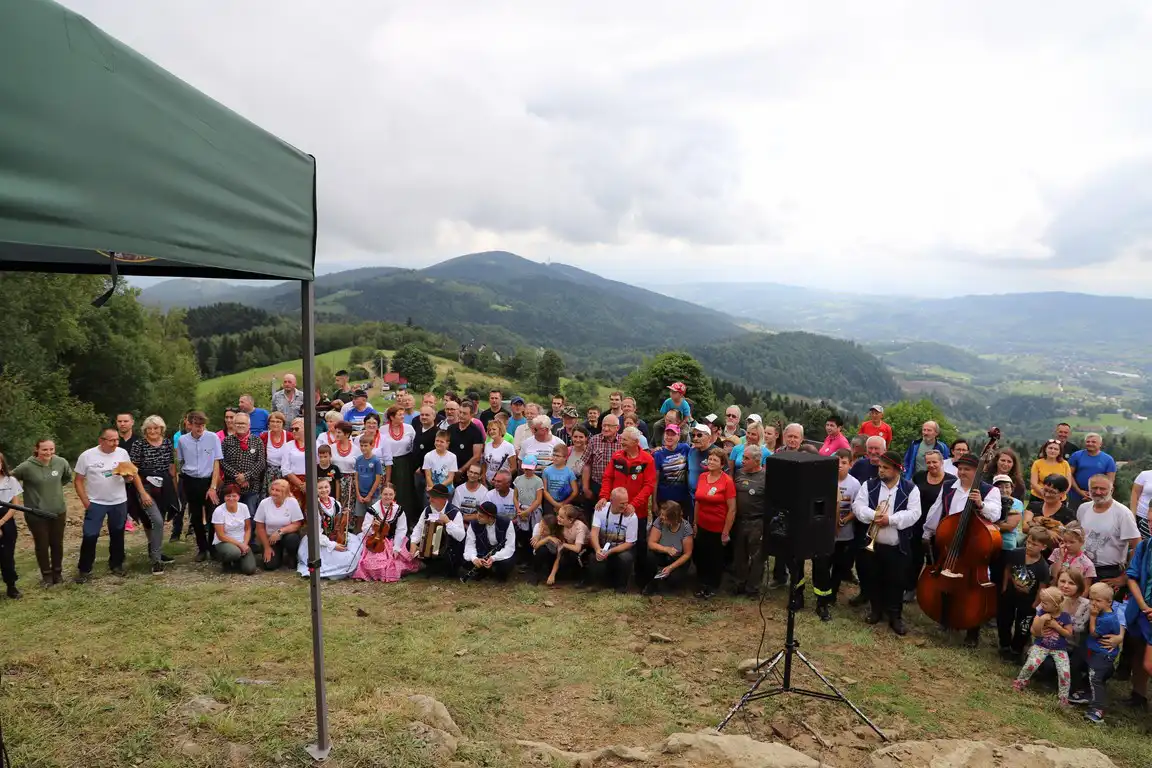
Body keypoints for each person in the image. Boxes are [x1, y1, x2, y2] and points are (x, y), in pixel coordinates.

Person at [922, 452, 1002, 646]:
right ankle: (946, 617)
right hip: (950, 544)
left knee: (974, 587)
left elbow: (995, 514)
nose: (962, 472)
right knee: (946, 578)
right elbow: (937, 509)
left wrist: (980, 504)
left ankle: (972, 631)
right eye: (960, 468)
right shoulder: (949, 486)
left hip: (974, 546)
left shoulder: (989, 490)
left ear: (978, 471)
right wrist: (928, 531)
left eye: (967, 469)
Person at [852, 450, 920, 635]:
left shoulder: (910, 489)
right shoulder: (870, 485)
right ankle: (876, 610)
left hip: (897, 545)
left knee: (896, 582)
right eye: (880, 467)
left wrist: (890, 520)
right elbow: (858, 507)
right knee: (873, 577)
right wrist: (874, 515)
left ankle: (895, 616)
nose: (881, 471)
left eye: (886, 468)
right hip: (873, 543)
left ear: (897, 470)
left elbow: (915, 513)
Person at [74, 427, 147, 582]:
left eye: (117, 440)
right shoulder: (87, 456)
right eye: (111, 440)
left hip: (118, 501)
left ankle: (116, 564)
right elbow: (78, 480)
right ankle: (84, 569)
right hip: (96, 502)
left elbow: (130, 477)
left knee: (117, 534)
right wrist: (86, 501)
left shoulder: (122, 453)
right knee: (90, 535)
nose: (115, 443)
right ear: (101, 440)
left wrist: (127, 478)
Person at [600, 426, 657, 585]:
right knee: (613, 540)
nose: (621, 442)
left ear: (635, 442)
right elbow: (607, 478)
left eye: (624, 439)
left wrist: (634, 504)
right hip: (615, 510)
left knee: (639, 544)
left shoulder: (647, 459)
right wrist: (604, 497)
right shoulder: (617, 456)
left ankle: (640, 580)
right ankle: (612, 577)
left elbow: (649, 486)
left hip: (637, 512)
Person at [11, 439, 72, 586]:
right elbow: (9, 479)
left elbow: (66, 477)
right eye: (45, 449)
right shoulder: (26, 467)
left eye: (51, 449)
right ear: (37, 449)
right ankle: (46, 576)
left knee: (57, 543)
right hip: (36, 513)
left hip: (58, 510)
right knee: (42, 544)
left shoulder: (61, 462)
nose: (48, 453)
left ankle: (57, 573)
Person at [813, 449, 862, 621]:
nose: (839, 466)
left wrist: (846, 519)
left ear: (850, 464)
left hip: (845, 534)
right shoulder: (824, 481)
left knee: (839, 566)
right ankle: (821, 599)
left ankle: (832, 594)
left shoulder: (855, 484)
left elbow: (857, 507)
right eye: (836, 462)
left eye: (844, 462)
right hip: (825, 533)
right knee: (821, 566)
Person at [130, 415, 179, 574]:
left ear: (161, 429)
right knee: (156, 521)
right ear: (145, 430)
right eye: (149, 428)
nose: (152, 431)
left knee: (161, 520)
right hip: (145, 485)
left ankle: (155, 552)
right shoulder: (139, 444)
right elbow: (133, 470)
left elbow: (171, 468)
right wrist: (142, 493)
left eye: (156, 428)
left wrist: (174, 490)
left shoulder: (166, 443)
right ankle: (156, 560)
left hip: (164, 485)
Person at [997, 527, 1053, 661]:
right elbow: (1008, 569)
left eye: (1034, 544)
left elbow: (1042, 586)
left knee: (1023, 625)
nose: (1030, 546)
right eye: (1028, 542)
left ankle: (1016, 650)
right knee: (1004, 619)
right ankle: (1004, 645)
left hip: (1028, 601)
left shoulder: (1043, 567)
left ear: (1043, 547)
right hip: (1009, 595)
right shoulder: (1016, 553)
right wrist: (1004, 587)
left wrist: (1035, 603)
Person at [1077, 474, 1140, 593]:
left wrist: (1125, 577)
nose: (1098, 492)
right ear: (1089, 489)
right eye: (1094, 488)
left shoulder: (1122, 513)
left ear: (1111, 490)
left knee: (1103, 609)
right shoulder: (1083, 509)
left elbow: (1137, 545)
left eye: (1103, 489)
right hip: (1083, 568)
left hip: (1109, 572)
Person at [906, 450, 954, 603]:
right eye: (928, 462)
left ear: (941, 462)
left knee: (935, 560)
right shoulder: (919, 476)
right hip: (917, 523)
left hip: (940, 526)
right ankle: (910, 588)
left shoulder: (951, 481)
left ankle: (933, 590)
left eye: (935, 462)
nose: (932, 465)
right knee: (914, 558)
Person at [1013, 586, 1074, 705]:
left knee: (1064, 672)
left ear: (1056, 605)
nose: (1042, 604)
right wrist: (1041, 620)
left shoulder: (1065, 617)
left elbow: (1069, 634)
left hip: (1059, 649)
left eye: (1045, 603)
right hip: (1041, 645)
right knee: (1031, 664)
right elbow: (1034, 630)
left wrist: (1056, 627)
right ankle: (1020, 682)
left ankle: (1063, 698)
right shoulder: (1042, 612)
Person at [176, 411, 224, 563]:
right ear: (189, 425)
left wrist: (213, 486)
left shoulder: (212, 438)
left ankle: (213, 546)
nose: (200, 428)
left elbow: (217, 462)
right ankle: (201, 548)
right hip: (191, 480)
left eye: (202, 425)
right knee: (196, 516)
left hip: (208, 480)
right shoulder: (183, 440)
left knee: (213, 515)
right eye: (197, 425)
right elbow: (181, 461)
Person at [296, 476, 364, 580]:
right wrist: (332, 545)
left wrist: (345, 515)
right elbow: (316, 533)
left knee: (354, 552)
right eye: (320, 488)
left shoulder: (336, 503)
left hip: (336, 535)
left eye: (326, 487)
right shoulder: (314, 507)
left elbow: (340, 524)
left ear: (330, 488)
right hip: (320, 540)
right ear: (315, 490)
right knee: (340, 558)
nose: (324, 490)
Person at [692, 447, 736, 600]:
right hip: (702, 524)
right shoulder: (702, 477)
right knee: (701, 555)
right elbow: (698, 502)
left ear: (722, 464)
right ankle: (701, 583)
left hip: (718, 527)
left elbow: (732, 509)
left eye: (715, 460)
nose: (711, 462)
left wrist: (726, 531)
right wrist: (695, 523)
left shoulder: (727, 481)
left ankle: (712, 586)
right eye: (710, 459)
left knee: (714, 558)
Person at [352, 484, 419, 582]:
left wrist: (396, 547)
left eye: (390, 494)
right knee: (374, 562)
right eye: (385, 494)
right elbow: (364, 528)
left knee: (397, 560)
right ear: (381, 494)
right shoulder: (373, 509)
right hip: (376, 540)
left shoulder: (398, 510)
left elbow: (401, 530)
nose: (388, 497)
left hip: (393, 539)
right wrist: (373, 528)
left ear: (394, 495)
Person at [1085, 581, 1125, 723]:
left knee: (1095, 679)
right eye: (1091, 599)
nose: (1093, 603)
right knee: (1094, 676)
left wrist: (1093, 617)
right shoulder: (1106, 613)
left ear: (1109, 602)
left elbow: (1094, 633)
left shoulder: (1106, 619)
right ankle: (1089, 695)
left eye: (1098, 600)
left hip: (1102, 655)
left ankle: (1098, 708)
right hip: (1099, 653)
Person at [730, 444, 766, 598]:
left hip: (757, 522)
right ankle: (740, 583)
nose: (742, 461)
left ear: (757, 461)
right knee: (739, 555)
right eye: (742, 457)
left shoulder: (766, 477)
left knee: (757, 557)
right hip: (739, 521)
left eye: (746, 458)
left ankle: (753, 588)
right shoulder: (738, 473)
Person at [586, 488, 639, 593]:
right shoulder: (601, 508)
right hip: (603, 545)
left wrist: (610, 552)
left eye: (626, 503)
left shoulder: (632, 516)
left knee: (625, 558)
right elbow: (594, 533)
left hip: (621, 548)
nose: (625, 506)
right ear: (612, 501)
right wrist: (597, 549)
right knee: (594, 556)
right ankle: (598, 583)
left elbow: (629, 543)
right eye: (621, 504)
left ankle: (621, 586)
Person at [409, 483, 466, 578]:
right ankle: (432, 564)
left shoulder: (455, 512)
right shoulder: (427, 510)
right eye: (430, 497)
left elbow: (461, 536)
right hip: (430, 549)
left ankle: (443, 568)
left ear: (444, 499)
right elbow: (418, 528)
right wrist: (413, 543)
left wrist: (448, 522)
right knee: (409, 542)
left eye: (434, 497)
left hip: (448, 551)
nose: (430, 500)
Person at [1122, 536, 1152, 712]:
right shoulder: (1145, 546)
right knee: (1139, 652)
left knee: (1149, 663)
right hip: (1140, 611)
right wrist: (1143, 605)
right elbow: (1132, 576)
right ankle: (1139, 695)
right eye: (1149, 521)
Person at [641, 501, 694, 596]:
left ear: (673, 518)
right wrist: (666, 549)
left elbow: (687, 553)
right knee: (649, 556)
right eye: (661, 514)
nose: (661, 517)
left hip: (677, 558)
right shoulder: (659, 521)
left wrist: (671, 567)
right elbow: (651, 543)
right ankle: (651, 582)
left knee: (674, 580)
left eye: (664, 515)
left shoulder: (686, 527)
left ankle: (666, 579)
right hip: (661, 554)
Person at [221, 411, 267, 520]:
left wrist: (246, 476)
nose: (240, 426)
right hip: (231, 486)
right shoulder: (226, 441)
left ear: (249, 425)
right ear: (233, 424)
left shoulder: (257, 441)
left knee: (249, 515)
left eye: (243, 423)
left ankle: (249, 537)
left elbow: (261, 463)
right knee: (231, 515)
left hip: (251, 486)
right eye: (237, 423)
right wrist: (238, 477)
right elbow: (222, 462)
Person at [253, 479, 305, 570]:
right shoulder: (264, 503)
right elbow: (260, 528)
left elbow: (297, 524)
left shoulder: (292, 502)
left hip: (287, 535)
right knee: (270, 566)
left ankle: (291, 555)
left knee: (292, 539)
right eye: (272, 489)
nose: (274, 492)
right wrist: (267, 547)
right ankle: (277, 553)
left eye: (278, 490)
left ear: (285, 493)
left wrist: (280, 531)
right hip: (270, 538)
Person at [463, 500, 517, 582]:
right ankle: (483, 571)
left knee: (506, 564)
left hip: (498, 554)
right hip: (482, 553)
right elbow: (469, 545)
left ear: (490, 518)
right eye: (477, 514)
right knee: (466, 560)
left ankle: (497, 573)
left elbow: (510, 547)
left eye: (481, 516)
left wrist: (493, 558)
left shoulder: (506, 523)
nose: (477, 517)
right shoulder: (474, 524)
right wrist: (474, 559)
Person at [210, 484, 257, 575]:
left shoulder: (244, 507)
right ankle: (225, 561)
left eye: (234, 496)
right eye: (228, 496)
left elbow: (247, 529)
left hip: (242, 541)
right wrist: (240, 545)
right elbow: (221, 535)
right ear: (224, 497)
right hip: (224, 542)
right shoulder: (219, 511)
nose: (231, 498)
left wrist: (245, 544)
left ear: (239, 497)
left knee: (250, 570)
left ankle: (238, 561)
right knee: (234, 552)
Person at [540, 504, 588, 586]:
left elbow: (577, 548)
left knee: (576, 555)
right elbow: (559, 553)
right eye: (558, 515)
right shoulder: (561, 527)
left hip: (585, 548)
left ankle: (584, 578)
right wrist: (552, 574)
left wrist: (563, 545)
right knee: (561, 556)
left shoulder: (580, 527)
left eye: (561, 517)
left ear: (570, 520)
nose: (558, 518)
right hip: (569, 545)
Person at [583, 414, 621, 513]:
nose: (605, 428)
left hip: (617, 486)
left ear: (617, 428)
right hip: (596, 485)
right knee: (593, 515)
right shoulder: (594, 440)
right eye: (604, 425)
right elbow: (586, 464)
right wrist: (586, 488)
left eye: (609, 426)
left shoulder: (623, 442)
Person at [653, 424, 692, 520]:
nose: (669, 437)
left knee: (680, 528)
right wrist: (654, 502)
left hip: (682, 498)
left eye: (673, 434)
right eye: (667, 434)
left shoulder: (685, 448)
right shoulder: (658, 454)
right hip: (664, 499)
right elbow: (655, 480)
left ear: (678, 437)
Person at [1068, 434, 1117, 507]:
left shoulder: (1108, 459)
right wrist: (1079, 491)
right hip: (1076, 496)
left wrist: (1096, 494)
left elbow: (1110, 481)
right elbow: (1069, 474)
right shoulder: (1076, 456)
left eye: (1093, 442)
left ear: (1100, 444)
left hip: (1099, 497)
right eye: (1088, 442)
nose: (1090, 444)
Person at [352, 433, 385, 533]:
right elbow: (356, 478)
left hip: (373, 495)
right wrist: (357, 493)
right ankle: (358, 537)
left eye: (366, 445)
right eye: (361, 445)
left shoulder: (376, 461)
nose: (363, 448)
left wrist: (370, 495)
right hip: (360, 495)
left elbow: (377, 480)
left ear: (372, 445)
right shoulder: (359, 459)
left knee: (372, 518)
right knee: (360, 518)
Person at [0, 453, 22, 598]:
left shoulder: (10, 480)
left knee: (7, 556)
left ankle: (11, 586)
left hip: (6, 520)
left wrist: (1, 522)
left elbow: (15, 505)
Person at [1031, 440, 1072, 505]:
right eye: (1050, 448)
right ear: (1045, 449)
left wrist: (1059, 495)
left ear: (1059, 452)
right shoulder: (1037, 463)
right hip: (1039, 498)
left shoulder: (1065, 464)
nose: (1053, 451)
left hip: (1059, 499)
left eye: (1056, 449)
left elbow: (1068, 483)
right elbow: (1033, 483)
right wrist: (1046, 494)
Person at [542, 443, 578, 514]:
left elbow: (575, 491)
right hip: (549, 503)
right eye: (554, 455)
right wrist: (555, 504)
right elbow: (545, 490)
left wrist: (563, 503)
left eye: (558, 456)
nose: (555, 457)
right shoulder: (546, 471)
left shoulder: (569, 472)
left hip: (565, 503)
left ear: (565, 458)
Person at [423, 430, 459, 495]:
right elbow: (428, 476)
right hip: (432, 489)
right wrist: (434, 489)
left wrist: (438, 488)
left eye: (442, 442)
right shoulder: (428, 456)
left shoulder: (452, 457)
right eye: (437, 441)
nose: (438, 443)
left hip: (447, 490)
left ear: (447, 443)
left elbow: (450, 478)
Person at [482, 419, 517, 484]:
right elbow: (484, 465)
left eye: (494, 429)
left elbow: (513, 468)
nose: (491, 431)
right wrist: (484, 481)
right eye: (489, 430)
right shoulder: (487, 445)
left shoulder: (509, 446)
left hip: (502, 483)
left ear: (500, 430)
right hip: (488, 483)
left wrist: (500, 479)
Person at [1129, 466, 1152, 541]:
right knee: (1141, 546)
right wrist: (1132, 515)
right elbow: (1135, 494)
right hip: (1142, 517)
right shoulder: (1145, 475)